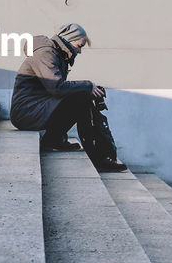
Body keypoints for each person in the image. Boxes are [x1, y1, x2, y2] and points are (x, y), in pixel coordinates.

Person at [10, 22, 127, 172]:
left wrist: (88, 88)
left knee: (81, 96)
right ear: (68, 40)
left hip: (36, 108)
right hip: (26, 113)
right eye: (79, 46)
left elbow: (57, 90)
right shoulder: (46, 53)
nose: (79, 51)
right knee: (81, 98)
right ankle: (97, 159)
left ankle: (54, 140)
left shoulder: (57, 54)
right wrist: (88, 85)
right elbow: (56, 87)